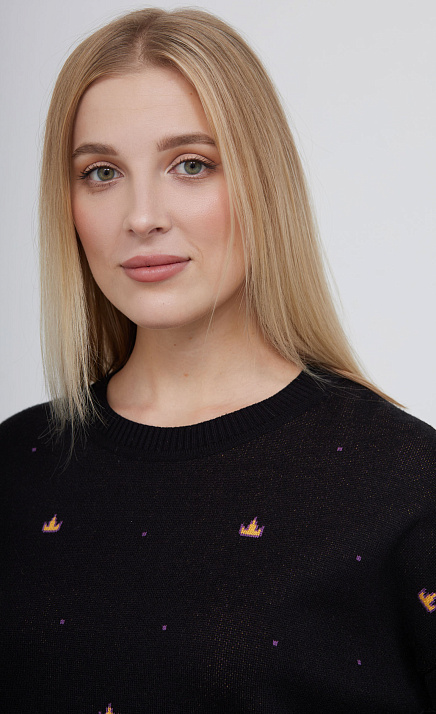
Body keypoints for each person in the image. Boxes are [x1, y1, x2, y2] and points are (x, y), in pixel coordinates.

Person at [1, 7, 435, 713]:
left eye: (191, 165)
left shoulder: (406, 484)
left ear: (264, 183)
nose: (142, 216)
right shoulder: (15, 466)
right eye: (102, 172)